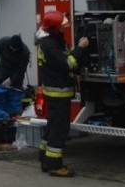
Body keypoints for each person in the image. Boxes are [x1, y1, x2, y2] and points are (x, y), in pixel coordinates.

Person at [37, 11, 89, 177]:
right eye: (61, 25)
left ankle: (45, 159)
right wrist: (80, 49)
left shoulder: (49, 42)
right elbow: (67, 64)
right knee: (59, 129)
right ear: (54, 28)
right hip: (58, 93)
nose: (64, 27)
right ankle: (55, 165)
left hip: (54, 92)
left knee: (52, 126)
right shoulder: (50, 46)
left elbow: (63, 57)